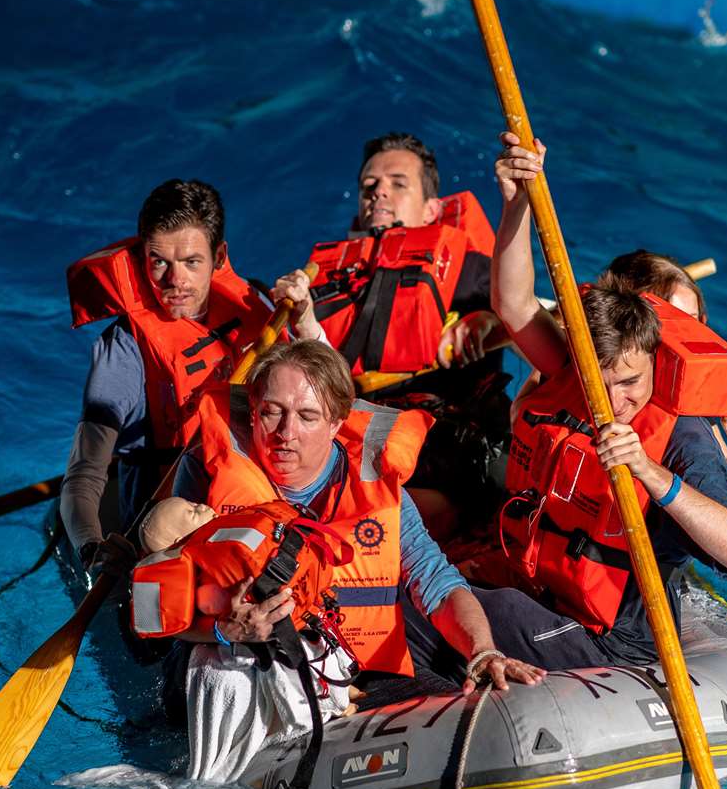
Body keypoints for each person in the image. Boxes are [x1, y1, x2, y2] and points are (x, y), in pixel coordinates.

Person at [478, 130, 727, 665]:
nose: (616, 400)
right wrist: (517, 204)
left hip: (614, 635)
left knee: (479, 609)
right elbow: (512, 303)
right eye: (602, 384)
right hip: (548, 594)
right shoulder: (579, 372)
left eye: (630, 382)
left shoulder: (683, 432)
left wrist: (649, 470)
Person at [171, 340, 546, 706]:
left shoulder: (376, 482)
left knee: (464, 712)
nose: (286, 433)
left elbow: (437, 582)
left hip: (352, 669)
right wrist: (224, 631)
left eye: (307, 416)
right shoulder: (205, 475)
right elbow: (153, 612)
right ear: (253, 409)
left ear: (336, 422)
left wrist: (481, 651)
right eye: (272, 411)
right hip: (243, 661)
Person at [270, 132, 514, 534]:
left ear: (431, 208)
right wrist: (306, 322)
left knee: (366, 512)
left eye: (398, 184)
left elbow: (540, 321)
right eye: (370, 185)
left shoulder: (474, 271)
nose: (379, 193)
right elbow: (334, 383)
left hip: (445, 458)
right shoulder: (332, 281)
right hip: (357, 443)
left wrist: (492, 320)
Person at [58, 178, 274, 583]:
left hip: (260, 510)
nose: (175, 281)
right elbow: (85, 472)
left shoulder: (255, 306)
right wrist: (91, 546)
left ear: (219, 256)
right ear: (142, 258)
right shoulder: (124, 351)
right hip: (173, 541)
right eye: (159, 262)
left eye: (191, 261)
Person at [129, 496, 358, 784]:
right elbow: (158, 629)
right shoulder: (211, 553)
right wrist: (220, 632)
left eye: (194, 503)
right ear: (178, 540)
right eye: (192, 510)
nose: (205, 506)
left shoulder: (223, 545)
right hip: (264, 647)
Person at [600, 250, 727, 500]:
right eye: (678, 324)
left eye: (696, 322)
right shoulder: (600, 366)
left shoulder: (695, 409)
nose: (692, 336)